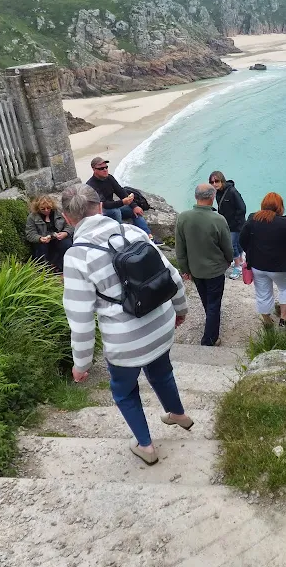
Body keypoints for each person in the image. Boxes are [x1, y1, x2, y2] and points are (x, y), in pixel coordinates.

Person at [61, 184, 191, 467]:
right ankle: (178, 414)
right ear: (99, 206)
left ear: (67, 218)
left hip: (125, 341)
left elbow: (80, 318)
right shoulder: (132, 232)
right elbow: (172, 276)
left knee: (124, 391)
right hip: (160, 323)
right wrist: (180, 310)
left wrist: (81, 365)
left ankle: (146, 446)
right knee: (161, 371)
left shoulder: (76, 256)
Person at [175, 183, 234, 346]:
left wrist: (184, 269)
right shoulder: (218, 219)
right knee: (214, 303)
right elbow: (227, 246)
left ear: (196, 197)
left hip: (195, 270)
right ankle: (209, 339)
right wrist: (229, 259)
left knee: (206, 301)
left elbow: (180, 247)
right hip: (215, 270)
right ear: (212, 197)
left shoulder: (183, 217)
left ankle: (211, 323)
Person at [239, 192, 286, 328]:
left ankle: (267, 321)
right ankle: (283, 320)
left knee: (263, 294)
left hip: (258, 266)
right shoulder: (284, 223)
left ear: (263, 205)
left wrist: (251, 252)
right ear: (280, 207)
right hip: (280, 267)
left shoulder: (252, 219)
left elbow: (242, 240)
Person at [86, 156, 156, 239]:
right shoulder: (91, 185)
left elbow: (121, 192)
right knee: (115, 212)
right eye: (101, 168)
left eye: (106, 167)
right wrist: (122, 202)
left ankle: (148, 235)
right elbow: (103, 204)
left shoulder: (109, 178)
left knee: (133, 210)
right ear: (94, 169)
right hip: (100, 212)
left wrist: (134, 206)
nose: (105, 170)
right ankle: (121, 237)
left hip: (112, 206)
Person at [209, 170, 246, 280]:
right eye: (212, 182)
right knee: (237, 244)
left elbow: (242, 208)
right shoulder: (218, 192)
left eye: (217, 181)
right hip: (227, 223)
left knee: (231, 245)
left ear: (222, 180)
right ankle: (241, 261)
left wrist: (235, 221)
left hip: (235, 224)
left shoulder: (232, 192)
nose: (214, 184)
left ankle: (238, 267)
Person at [25, 195, 74, 273]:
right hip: (43, 241)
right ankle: (44, 270)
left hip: (58, 238)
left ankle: (62, 266)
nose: (46, 210)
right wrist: (40, 238)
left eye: (49, 208)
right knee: (41, 248)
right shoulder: (32, 217)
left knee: (66, 244)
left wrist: (65, 233)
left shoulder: (60, 212)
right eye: (43, 209)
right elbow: (30, 234)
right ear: (37, 208)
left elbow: (70, 224)